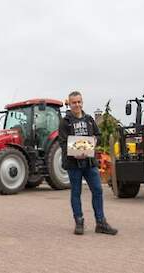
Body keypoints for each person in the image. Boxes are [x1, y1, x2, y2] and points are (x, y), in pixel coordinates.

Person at [58, 91, 118, 235]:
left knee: (97, 190)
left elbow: (97, 135)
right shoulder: (65, 122)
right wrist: (74, 152)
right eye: (74, 102)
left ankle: (100, 222)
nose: (77, 105)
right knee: (76, 193)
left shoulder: (89, 119)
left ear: (82, 102)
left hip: (90, 163)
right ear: (70, 104)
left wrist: (95, 140)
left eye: (79, 102)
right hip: (74, 164)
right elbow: (62, 142)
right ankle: (79, 222)